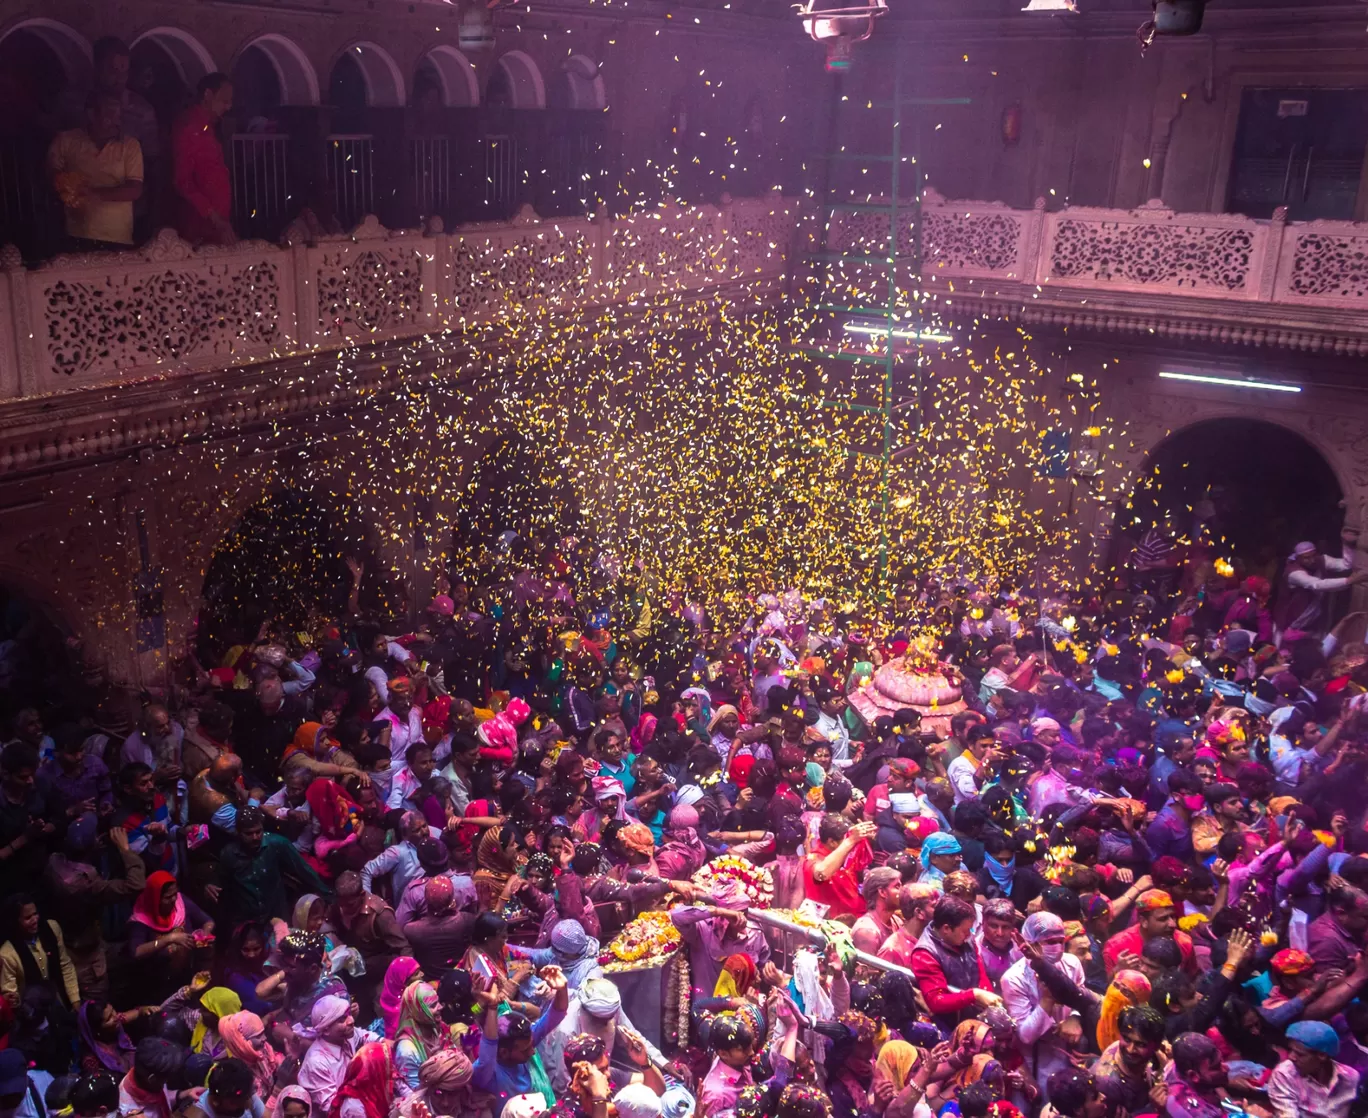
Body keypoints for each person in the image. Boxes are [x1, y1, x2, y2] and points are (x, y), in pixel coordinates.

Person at [46, 92, 144, 249]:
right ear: (91, 114)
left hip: (118, 237)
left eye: (119, 113)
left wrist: (93, 193)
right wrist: (63, 183)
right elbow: (52, 173)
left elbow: (134, 190)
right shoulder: (66, 141)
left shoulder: (130, 145)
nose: (116, 120)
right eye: (110, 113)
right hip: (76, 234)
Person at [212, 807, 332, 925]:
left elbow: (304, 870)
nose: (255, 837)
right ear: (238, 832)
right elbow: (222, 884)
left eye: (258, 832)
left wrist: (329, 896)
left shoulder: (277, 844)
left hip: (277, 917)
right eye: (249, 833)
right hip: (246, 922)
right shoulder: (229, 854)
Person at [171, 74, 236, 246]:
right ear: (207, 95)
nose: (228, 106)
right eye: (224, 100)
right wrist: (214, 217)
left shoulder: (209, 127)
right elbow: (183, 181)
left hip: (217, 224)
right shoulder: (189, 126)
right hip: (199, 227)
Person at [295, 996, 380, 1114]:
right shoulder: (316, 1063)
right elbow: (333, 1108)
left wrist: (385, 1043)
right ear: (326, 1030)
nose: (351, 1021)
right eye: (342, 1020)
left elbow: (363, 1036)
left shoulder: (345, 1036)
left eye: (349, 1014)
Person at [1266, 1020, 1359, 1118]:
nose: (1291, 1057)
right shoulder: (1284, 1074)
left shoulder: (1350, 1077)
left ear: (1322, 1055)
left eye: (1300, 1054)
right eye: (1291, 1050)